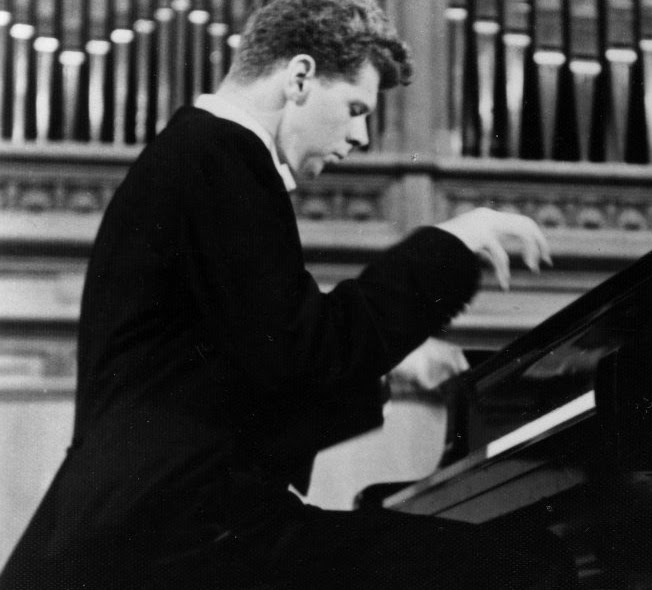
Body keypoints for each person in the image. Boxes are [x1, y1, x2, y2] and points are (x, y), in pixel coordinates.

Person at [0, 0, 574, 588]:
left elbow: (252, 372)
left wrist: (386, 370)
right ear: (299, 77)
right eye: (355, 109)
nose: (361, 136)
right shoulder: (222, 158)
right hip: (175, 539)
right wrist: (454, 243)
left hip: (141, 529)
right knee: (520, 565)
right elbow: (302, 349)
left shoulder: (198, 153)